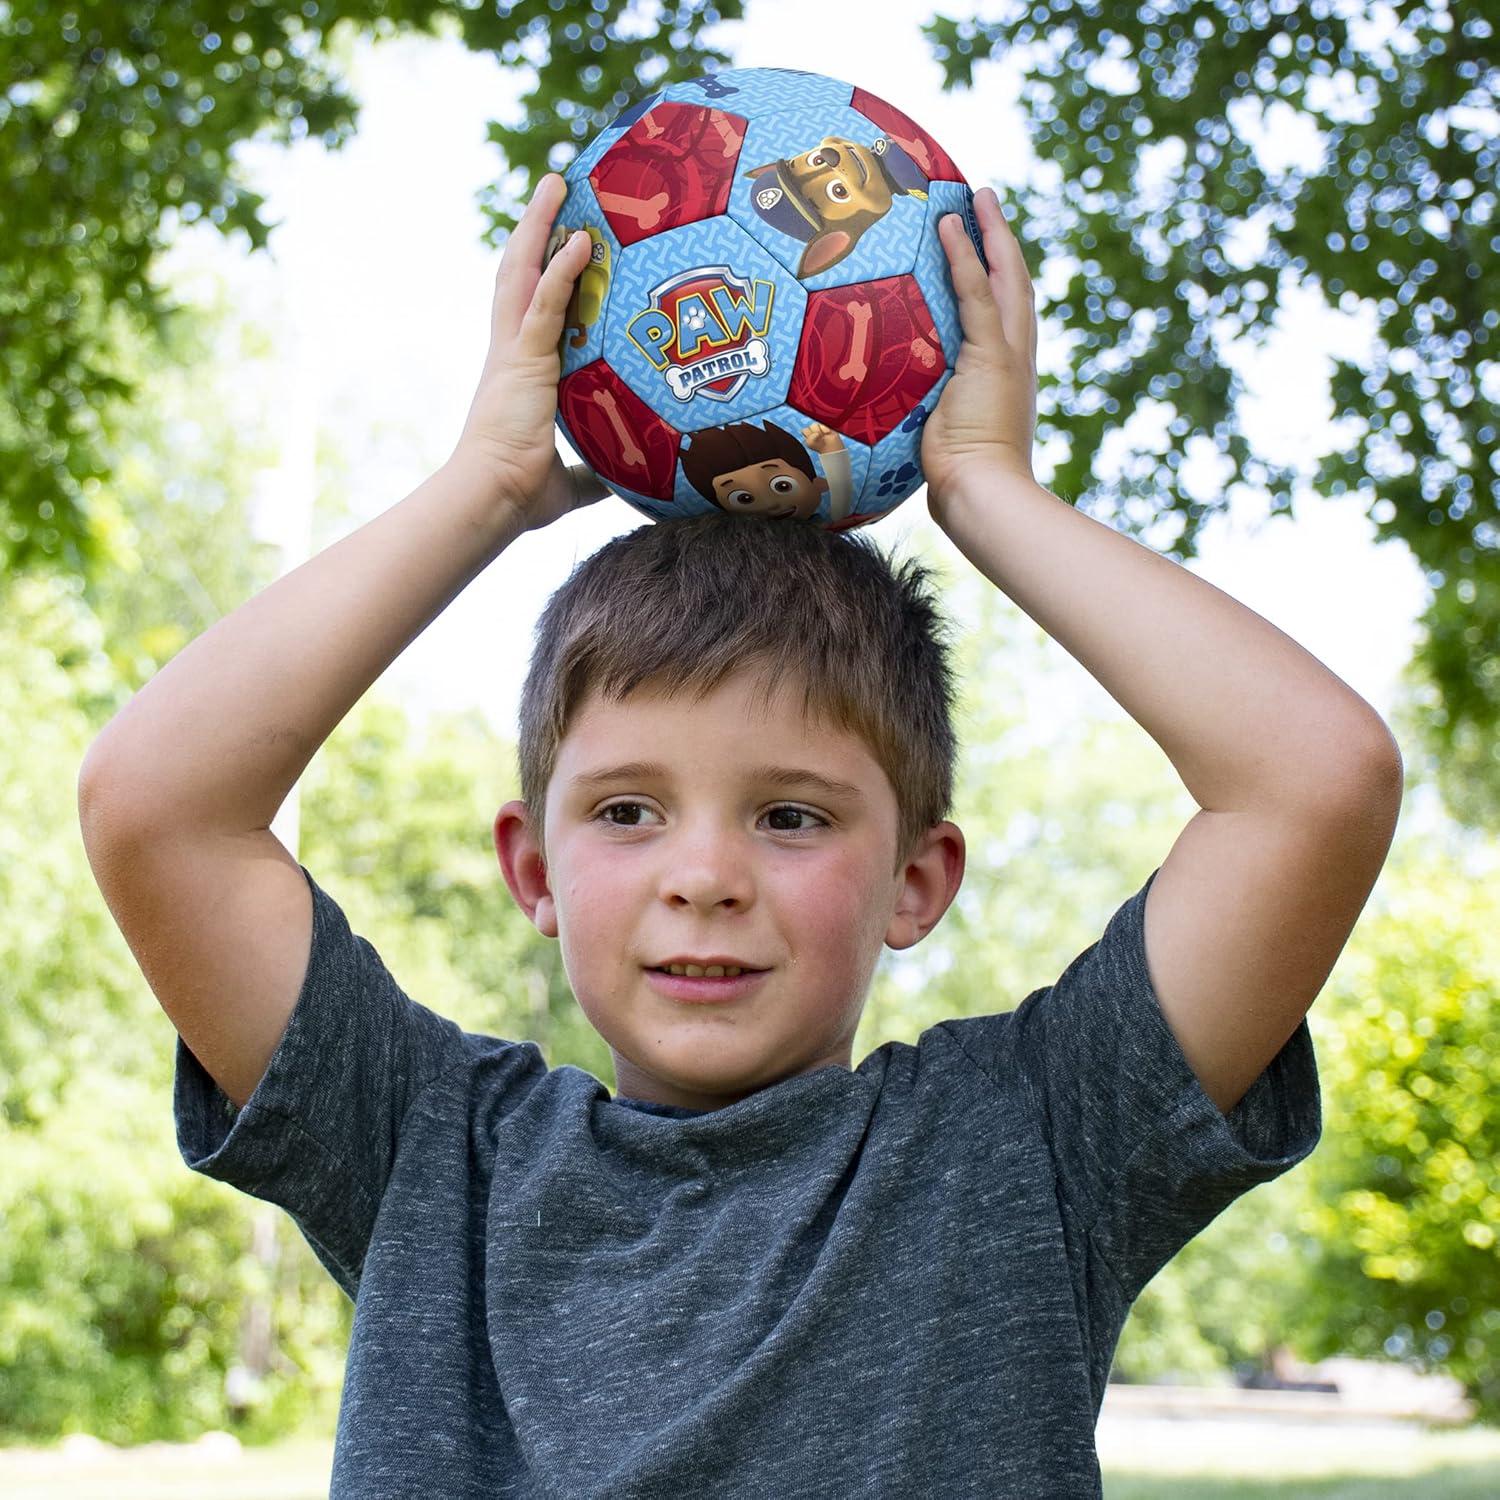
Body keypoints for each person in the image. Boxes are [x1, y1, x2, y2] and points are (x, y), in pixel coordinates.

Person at [77, 171, 1404, 1497]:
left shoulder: (1030, 1146)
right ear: (532, 868)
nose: (704, 878)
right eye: (627, 812)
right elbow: (157, 806)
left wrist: (992, 494)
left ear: (918, 878)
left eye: (789, 816)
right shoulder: (429, 1152)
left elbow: (1316, 782)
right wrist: (483, 487)